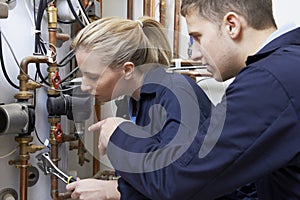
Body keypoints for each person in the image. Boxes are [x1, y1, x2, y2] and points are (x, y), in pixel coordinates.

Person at [91, 0, 300, 199]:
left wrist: (117, 134)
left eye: (197, 37)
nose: (195, 55)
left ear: (231, 26)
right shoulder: (286, 67)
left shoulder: (269, 82)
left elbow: (176, 180)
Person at [66, 16, 213, 199]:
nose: (84, 87)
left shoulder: (177, 95)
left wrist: (115, 191)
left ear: (127, 70)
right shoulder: (135, 101)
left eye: (93, 77)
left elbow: (182, 184)